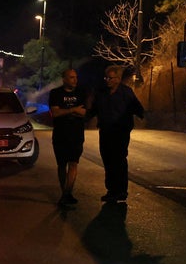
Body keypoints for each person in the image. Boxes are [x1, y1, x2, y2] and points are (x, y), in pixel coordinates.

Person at [88, 65, 144, 202]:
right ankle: (112, 190)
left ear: (118, 79)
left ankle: (121, 190)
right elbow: (94, 109)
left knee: (119, 160)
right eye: (106, 78)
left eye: (110, 78)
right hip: (106, 131)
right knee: (107, 159)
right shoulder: (101, 93)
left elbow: (137, 108)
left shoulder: (126, 93)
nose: (108, 80)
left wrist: (142, 116)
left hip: (120, 132)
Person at [48, 68, 88, 206]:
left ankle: (67, 194)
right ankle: (65, 193)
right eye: (71, 77)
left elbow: (84, 112)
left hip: (76, 134)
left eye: (76, 77)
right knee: (61, 165)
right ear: (64, 79)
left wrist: (65, 111)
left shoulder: (81, 93)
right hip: (60, 134)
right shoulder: (55, 93)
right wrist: (73, 110)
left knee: (73, 163)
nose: (75, 80)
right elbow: (55, 113)